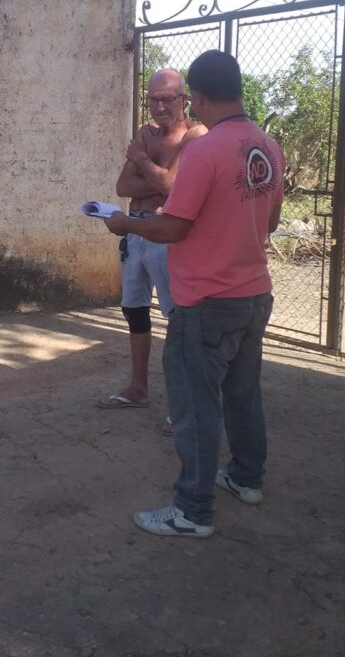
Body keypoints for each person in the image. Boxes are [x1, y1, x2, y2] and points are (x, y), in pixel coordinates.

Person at [104, 50, 284, 539]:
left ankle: (193, 511)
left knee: (194, 404)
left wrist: (124, 223)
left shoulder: (205, 150)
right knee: (243, 394)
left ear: (197, 97)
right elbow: (269, 223)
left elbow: (173, 226)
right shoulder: (267, 146)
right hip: (254, 292)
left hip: (206, 299)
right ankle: (247, 479)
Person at [98, 68, 206, 436]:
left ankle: (184, 405)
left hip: (166, 234)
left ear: (184, 100)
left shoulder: (195, 136)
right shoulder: (146, 133)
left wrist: (143, 163)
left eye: (168, 98)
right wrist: (155, 180)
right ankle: (138, 388)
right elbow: (122, 185)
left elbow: (175, 186)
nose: (159, 105)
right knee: (133, 310)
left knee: (179, 319)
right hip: (135, 230)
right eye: (153, 98)